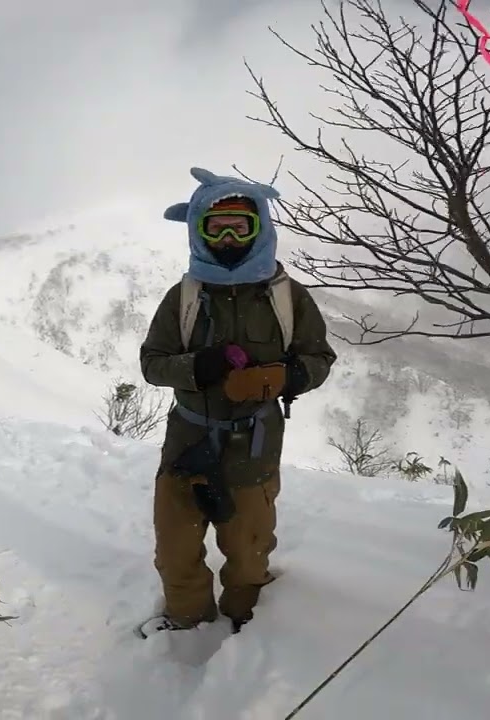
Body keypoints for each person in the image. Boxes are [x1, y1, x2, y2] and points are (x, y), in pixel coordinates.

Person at [137, 167, 337, 636]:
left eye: (240, 226)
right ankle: (186, 621)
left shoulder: (288, 298)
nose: (228, 237)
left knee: (248, 546)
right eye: (215, 226)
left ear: (261, 227)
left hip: (255, 443)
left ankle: (247, 620)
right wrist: (194, 368)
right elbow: (151, 363)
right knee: (175, 547)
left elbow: (320, 357)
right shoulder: (183, 297)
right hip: (186, 440)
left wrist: (282, 377)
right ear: (197, 230)